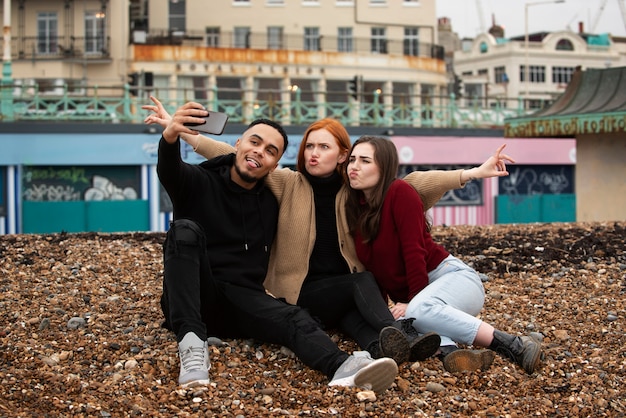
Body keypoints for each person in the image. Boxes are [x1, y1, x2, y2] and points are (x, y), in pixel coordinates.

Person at [144, 96, 513, 366]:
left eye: (324, 147)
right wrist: (181, 135)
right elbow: (238, 152)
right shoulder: (286, 182)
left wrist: (471, 174)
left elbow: (412, 185)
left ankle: (397, 354)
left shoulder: (354, 189)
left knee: (363, 326)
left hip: (339, 293)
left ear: (342, 156)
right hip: (299, 291)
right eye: (310, 147)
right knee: (362, 282)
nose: (313, 154)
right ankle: (408, 333)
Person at [157, 102, 399, 392]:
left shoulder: (271, 201)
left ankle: (340, 366)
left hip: (241, 301)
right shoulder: (198, 182)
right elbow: (170, 170)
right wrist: (171, 136)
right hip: (191, 297)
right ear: (238, 144)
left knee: (293, 316)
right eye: (254, 142)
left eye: (271, 151)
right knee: (184, 229)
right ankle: (192, 347)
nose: (260, 151)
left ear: (274, 165)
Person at [345, 135, 543, 375]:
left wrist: (410, 302)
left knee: (418, 312)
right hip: (424, 299)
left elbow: (414, 251)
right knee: (405, 325)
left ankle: (515, 345)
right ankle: (454, 354)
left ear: (384, 167)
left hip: (453, 279)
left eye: (364, 161)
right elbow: (377, 272)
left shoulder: (399, 192)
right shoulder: (358, 210)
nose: (354, 166)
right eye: (352, 159)